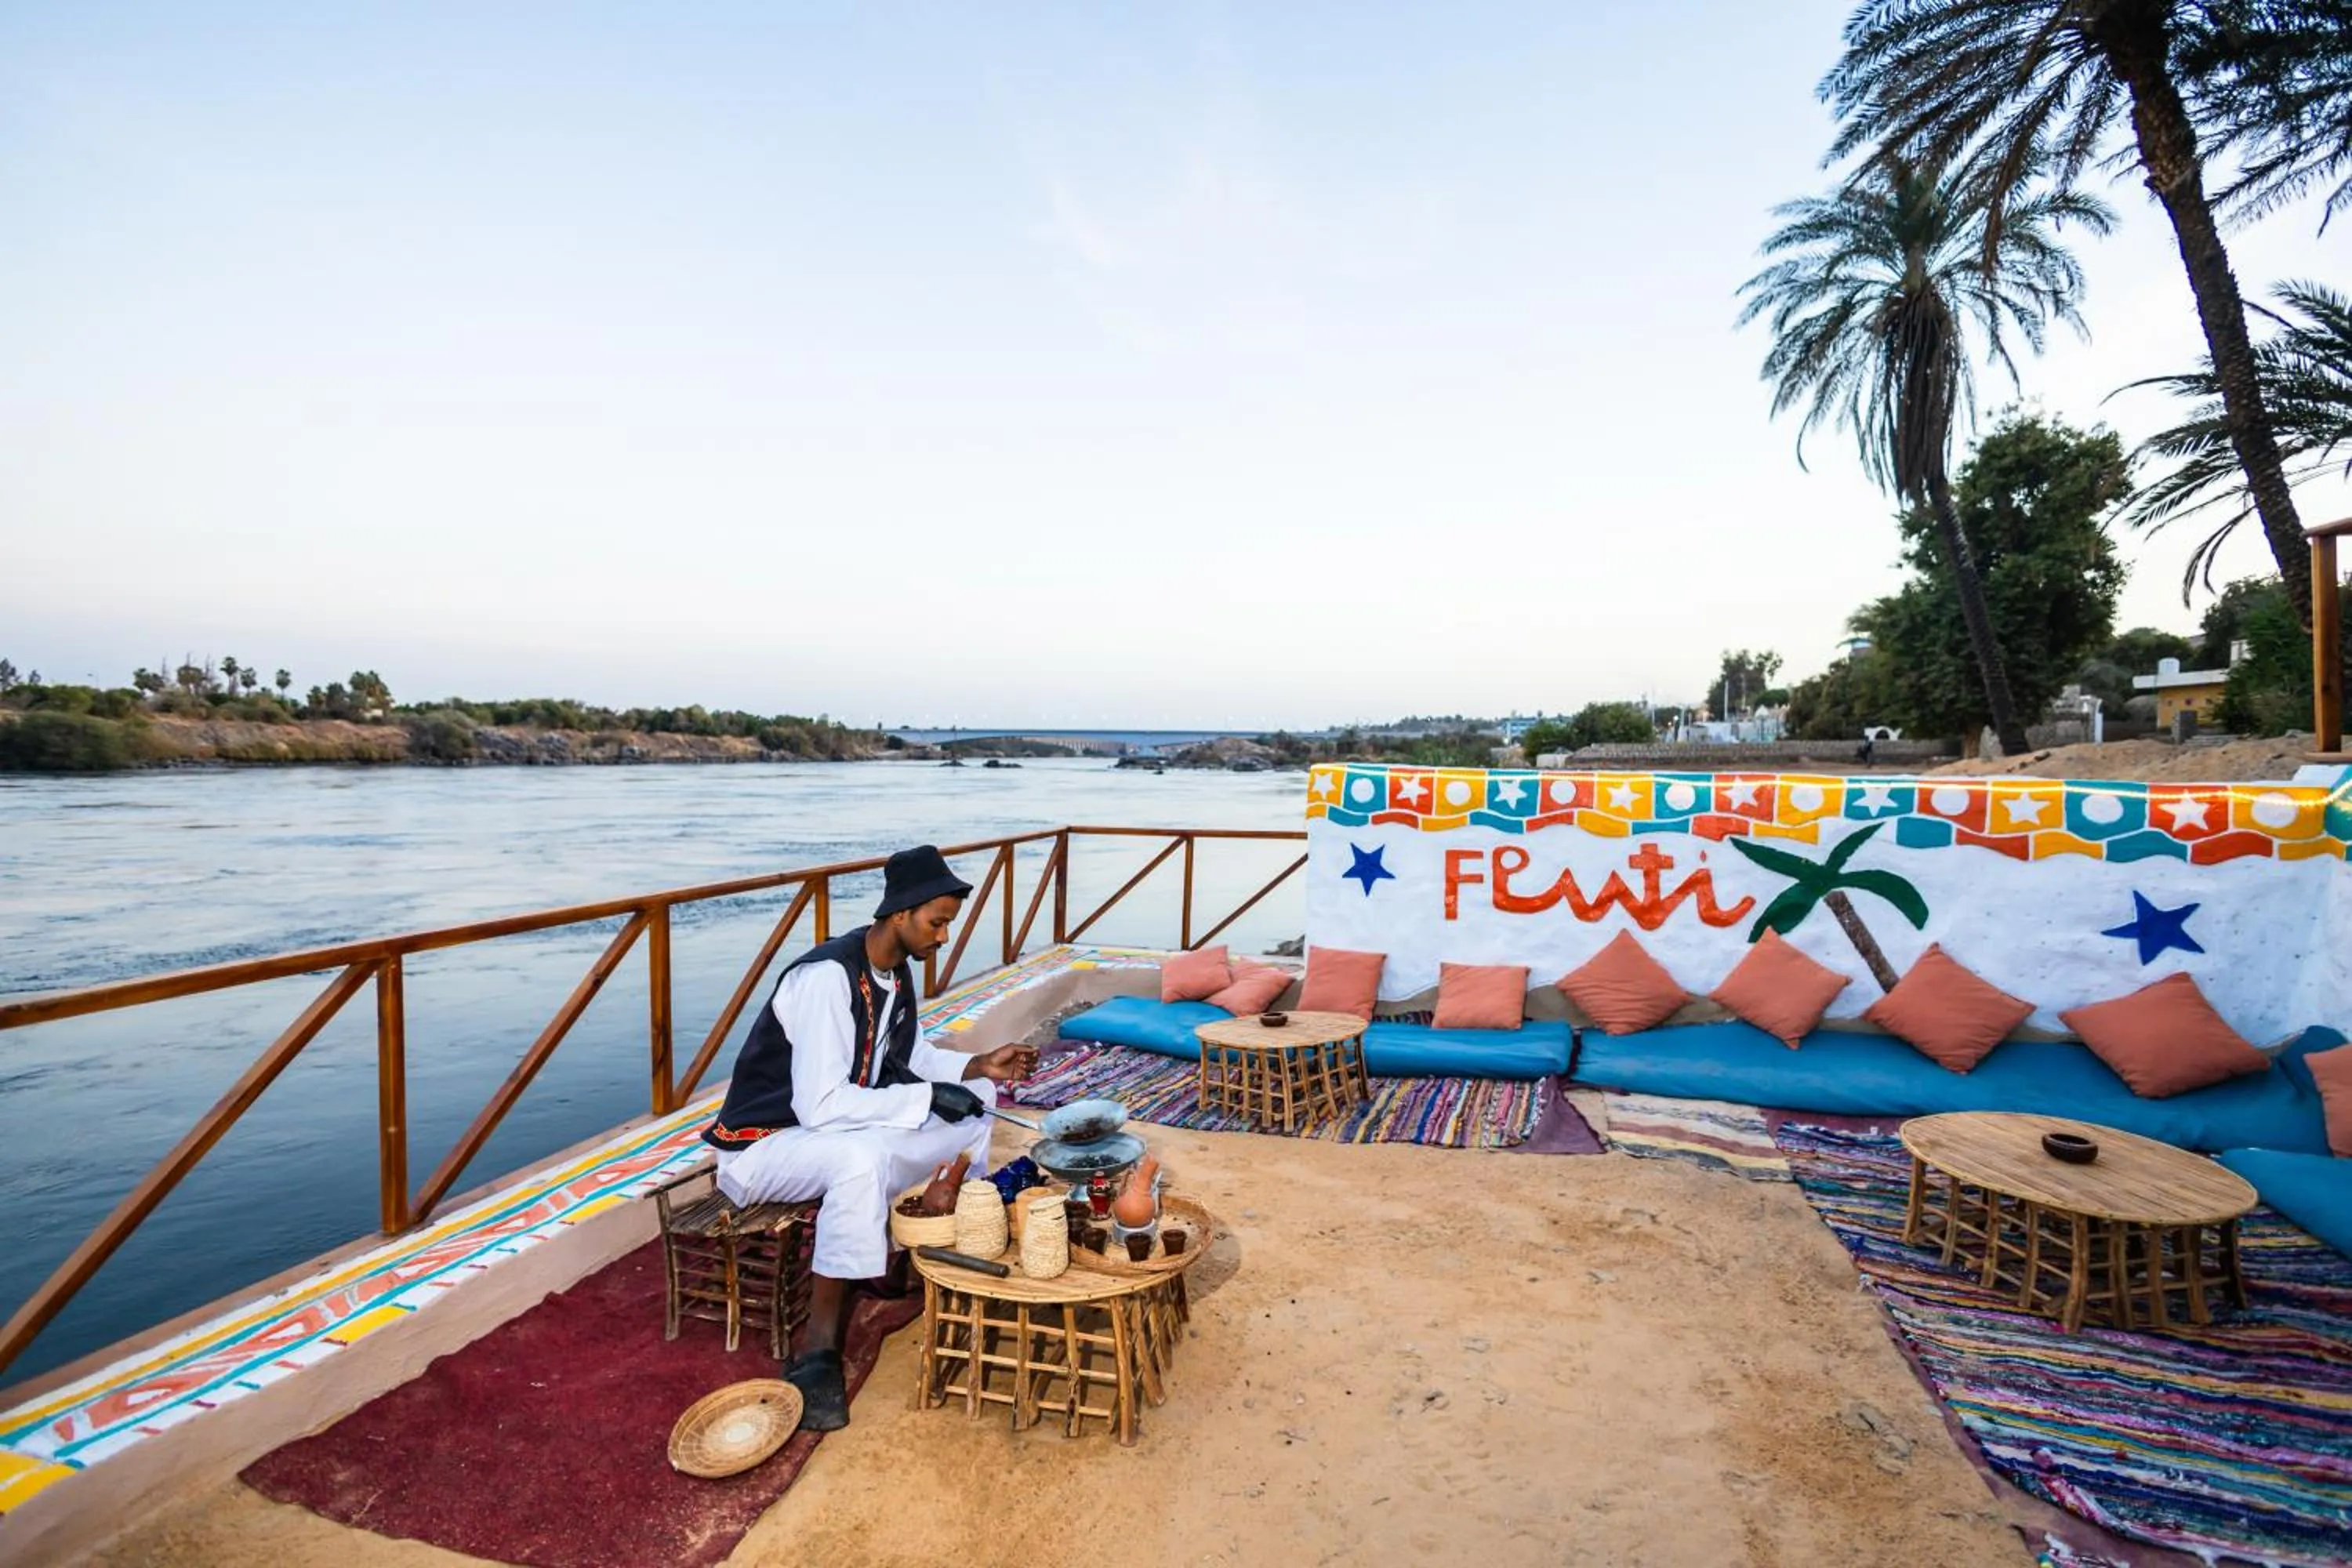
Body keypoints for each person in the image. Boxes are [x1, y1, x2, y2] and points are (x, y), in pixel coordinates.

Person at [700, 844, 1036, 1429]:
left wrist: (978, 1067)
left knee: (974, 1110)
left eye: (947, 925)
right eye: (936, 923)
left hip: (826, 1133)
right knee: (861, 1160)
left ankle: (935, 1245)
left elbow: (909, 1059)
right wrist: (926, 1098)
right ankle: (818, 1352)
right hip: (766, 1144)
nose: (943, 937)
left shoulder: (894, 973)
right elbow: (821, 1105)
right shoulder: (826, 979)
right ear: (901, 913)